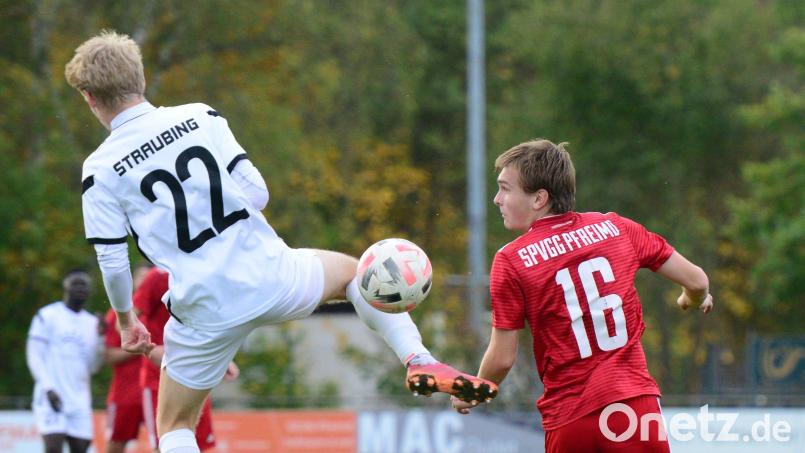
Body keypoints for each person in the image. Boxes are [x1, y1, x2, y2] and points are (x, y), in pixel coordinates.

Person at [65, 30, 496, 452]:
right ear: (140, 78)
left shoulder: (100, 169)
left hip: (204, 306)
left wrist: (126, 321)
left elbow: (113, 260)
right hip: (271, 273)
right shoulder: (199, 115)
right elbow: (257, 192)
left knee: (175, 424)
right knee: (353, 274)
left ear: (89, 97)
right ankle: (418, 358)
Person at [451, 139, 714, 453]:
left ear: (539, 198)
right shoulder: (617, 228)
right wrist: (692, 299)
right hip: (634, 408)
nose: (497, 199)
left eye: (506, 189)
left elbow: (503, 357)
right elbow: (697, 280)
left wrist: (477, 388)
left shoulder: (512, 259)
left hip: (571, 420)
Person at [135, 266, 235, 451]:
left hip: (194, 375)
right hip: (157, 378)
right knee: (165, 442)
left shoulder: (201, 271)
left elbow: (210, 322)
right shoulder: (157, 276)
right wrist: (148, 348)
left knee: (199, 443)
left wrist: (224, 357)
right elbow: (125, 326)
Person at [26, 269, 105, 453]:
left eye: (84, 284)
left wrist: (101, 338)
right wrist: (48, 387)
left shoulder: (92, 323)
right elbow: (34, 355)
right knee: (53, 448)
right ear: (66, 286)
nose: (80, 288)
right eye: (75, 283)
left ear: (90, 291)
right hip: (52, 395)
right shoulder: (47, 315)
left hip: (79, 399)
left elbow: (93, 367)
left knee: (80, 448)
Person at [102, 265, 150, 453]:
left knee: (164, 441)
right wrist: (139, 349)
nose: (146, 282)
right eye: (142, 278)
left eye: (150, 278)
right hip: (125, 395)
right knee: (115, 444)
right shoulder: (119, 315)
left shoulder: (164, 314)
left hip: (156, 391)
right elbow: (109, 355)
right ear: (132, 281)